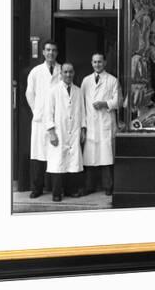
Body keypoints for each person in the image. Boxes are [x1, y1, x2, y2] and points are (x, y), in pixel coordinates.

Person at [44, 63, 86, 202]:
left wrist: (83, 129)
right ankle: (56, 193)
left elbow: (83, 112)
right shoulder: (53, 91)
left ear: (74, 73)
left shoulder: (78, 91)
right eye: (65, 72)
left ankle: (70, 190)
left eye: (70, 72)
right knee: (58, 162)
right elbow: (48, 113)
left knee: (72, 162)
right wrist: (51, 133)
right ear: (61, 73)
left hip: (74, 131)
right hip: (59, 131)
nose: (68, 75)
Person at [80, 53, 120, 196]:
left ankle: (108, 186)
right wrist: (83, 126)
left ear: (105, 62)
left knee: (106, 157)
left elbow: (118, 101)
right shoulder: (86, 81)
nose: (97, 64)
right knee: (90, 158)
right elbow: (81, 105)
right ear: (92, 63)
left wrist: (105, 103)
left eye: (100, 62)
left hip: (105, 122)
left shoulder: (112, 80)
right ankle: (89, 186)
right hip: (91, 124)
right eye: (95, 62)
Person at [25, 40, 61, 198]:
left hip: (57, 118)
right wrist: (37, 111)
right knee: (39, 155)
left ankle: (56, 190)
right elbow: (29, 94)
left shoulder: (62, 70)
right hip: (40, 120)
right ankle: (37, 188)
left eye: (53, 50)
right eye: (48, 50)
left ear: (57, 53)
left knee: (56, 154)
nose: (50, 53)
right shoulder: (36, 71)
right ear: (43, 52)